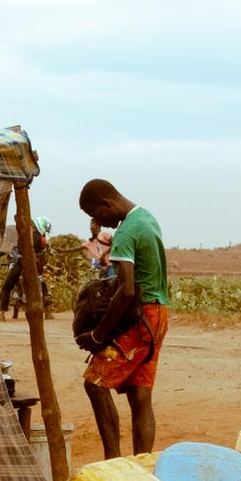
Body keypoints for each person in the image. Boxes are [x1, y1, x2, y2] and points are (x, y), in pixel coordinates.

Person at [76, 178, 170, 457]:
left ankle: (112, 463)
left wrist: (98, 335)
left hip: (139, 317)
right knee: (140, 393)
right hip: (159, 313)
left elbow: (127, 291)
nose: (99, 222)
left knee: (94, 384)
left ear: (107, 204)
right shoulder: (146, 218)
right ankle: (142, 466)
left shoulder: (126, 233)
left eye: (96, 214)